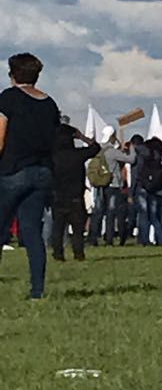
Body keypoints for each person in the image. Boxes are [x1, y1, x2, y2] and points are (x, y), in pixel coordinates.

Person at [0, 52, 61, 299]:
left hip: (13, 170)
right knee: (32, 232)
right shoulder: (50, 103)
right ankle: (37, 290)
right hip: (43, 172)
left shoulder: (8, 98)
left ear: (12, 75)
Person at [51, 123, 101, 262]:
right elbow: (96, 148)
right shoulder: (77, 154)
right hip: (76, 197)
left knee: (58, 229)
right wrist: (82, 136)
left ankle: (58, 254)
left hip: (58, 196)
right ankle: (78, 254)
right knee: (78, 229)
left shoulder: (53, 156)